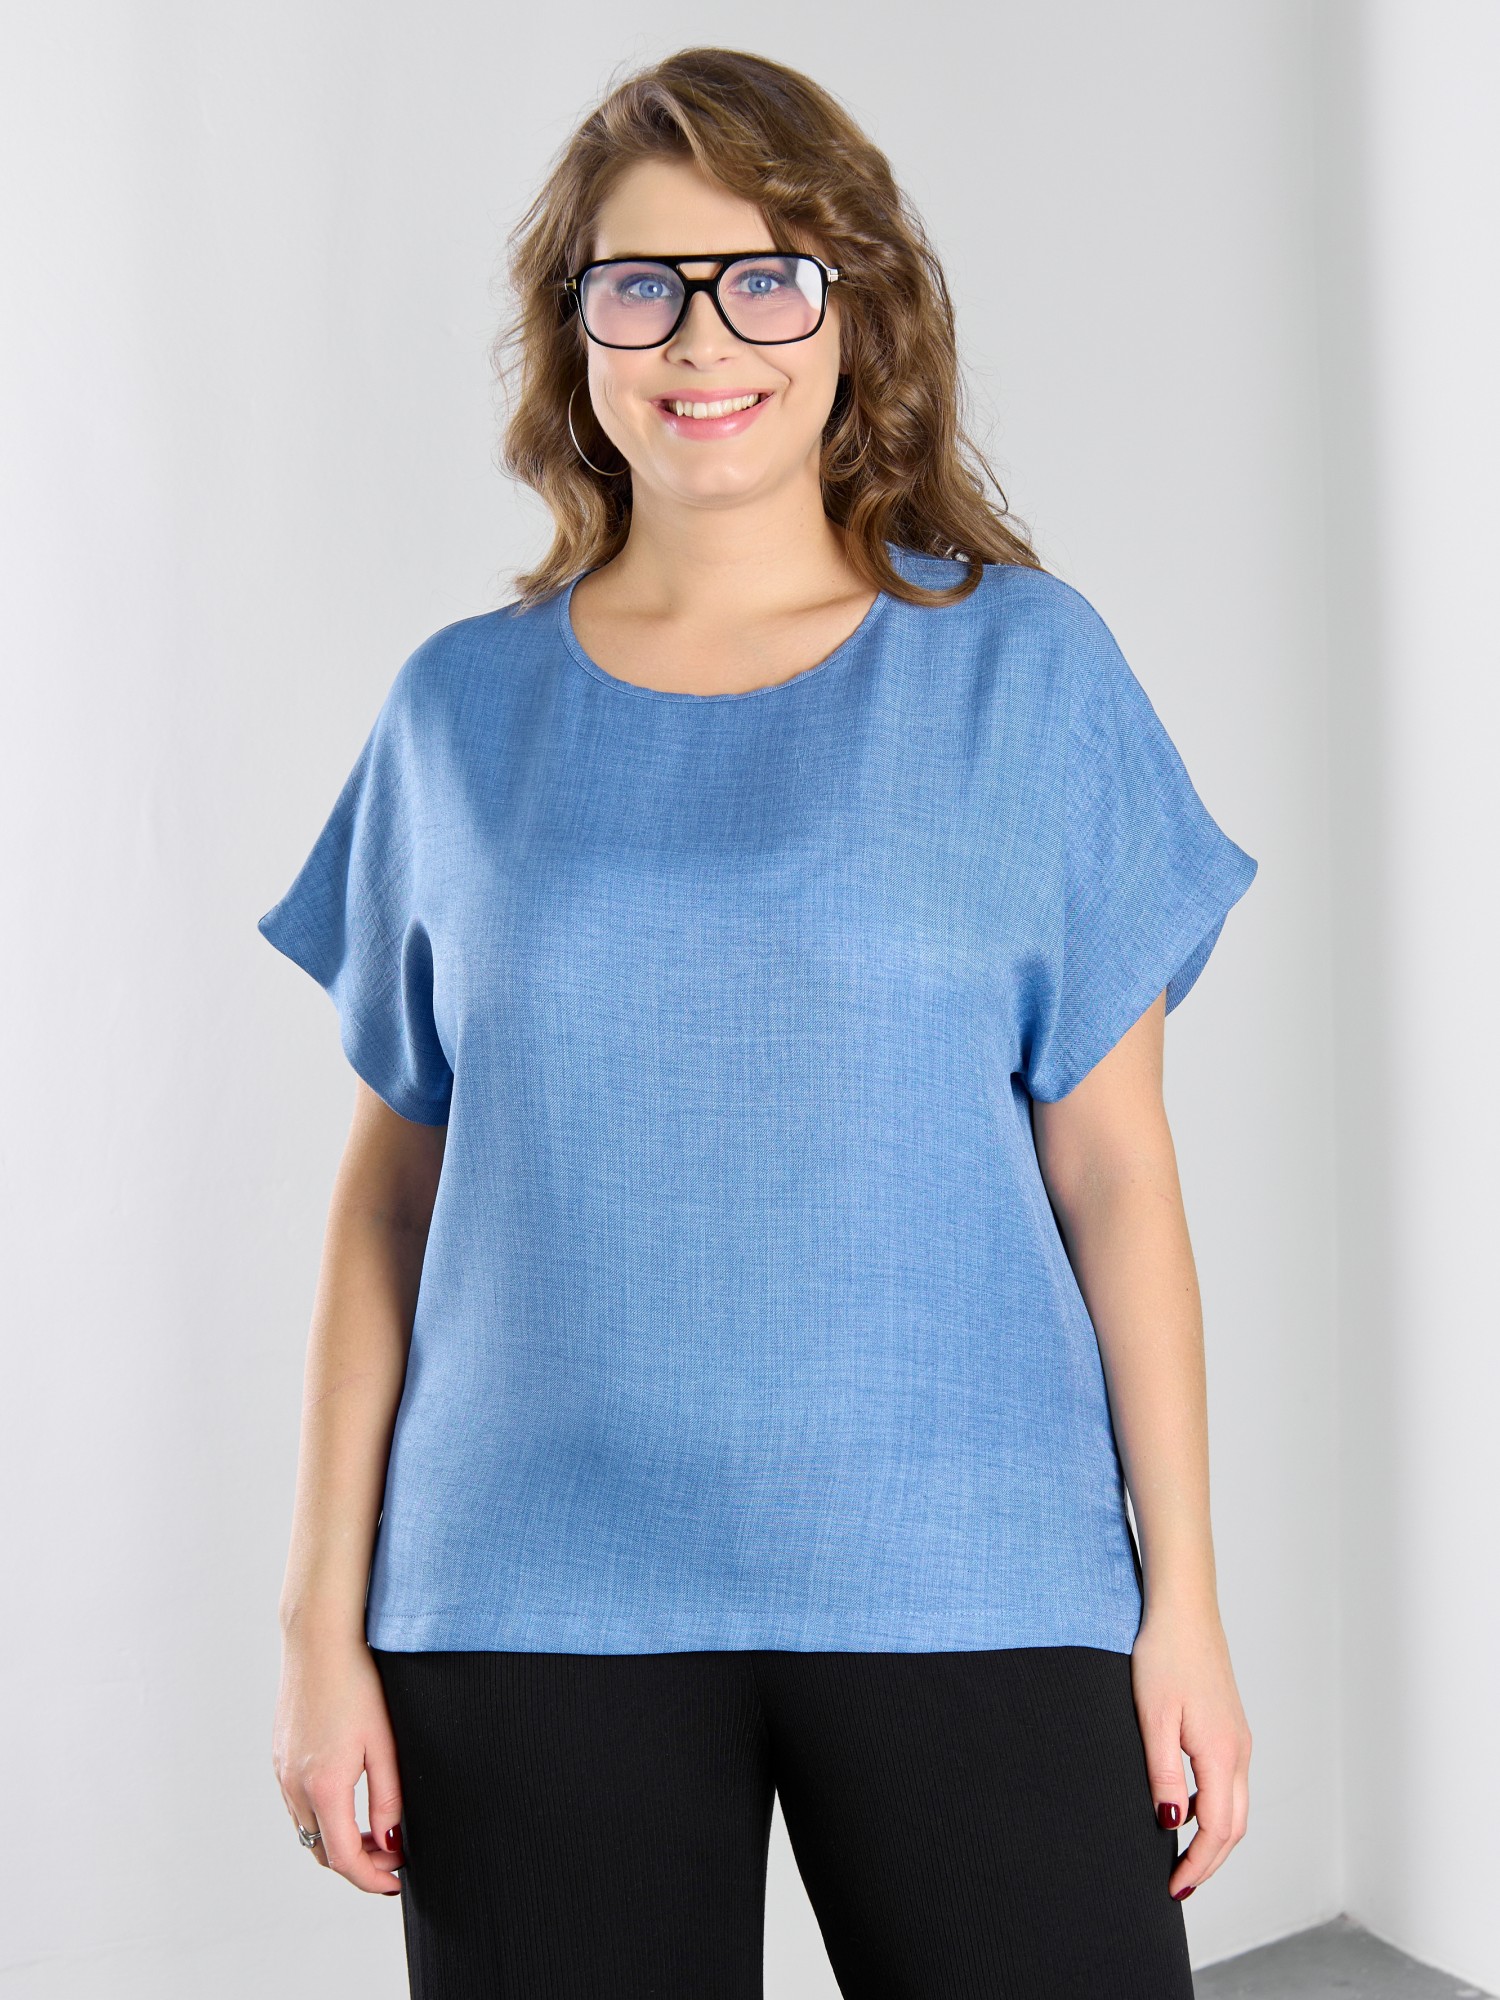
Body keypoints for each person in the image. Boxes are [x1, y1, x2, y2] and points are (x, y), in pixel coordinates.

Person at [259, 46, 1256, 2000]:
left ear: (855, 308)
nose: (702, 336)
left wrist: (1188, 1605)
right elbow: (389, 1199)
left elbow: (1119, 1177)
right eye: (642, 283)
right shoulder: (457, 715)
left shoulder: (1026, 673)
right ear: (577, 332)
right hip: (528, 1592)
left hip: (973, 1565)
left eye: (765, 277)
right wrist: (317, 1628)